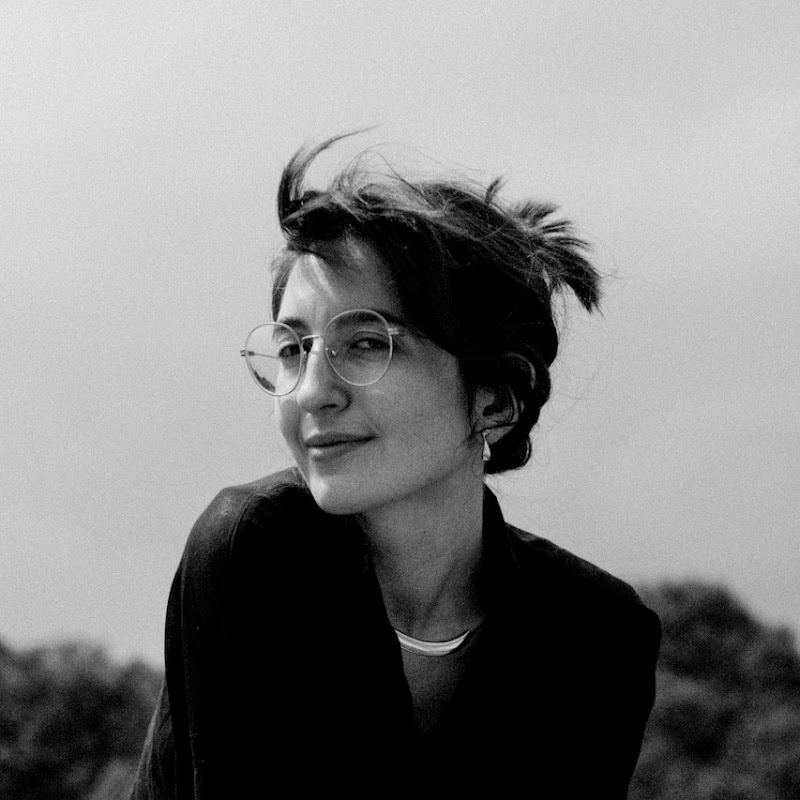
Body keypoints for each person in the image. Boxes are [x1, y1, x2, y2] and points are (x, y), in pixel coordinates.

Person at [130, 135, 661, 798]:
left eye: (365, 343)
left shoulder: (597, 634)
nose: (312, 392)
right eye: (292, 349)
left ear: (496, 398)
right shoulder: (256, 548)